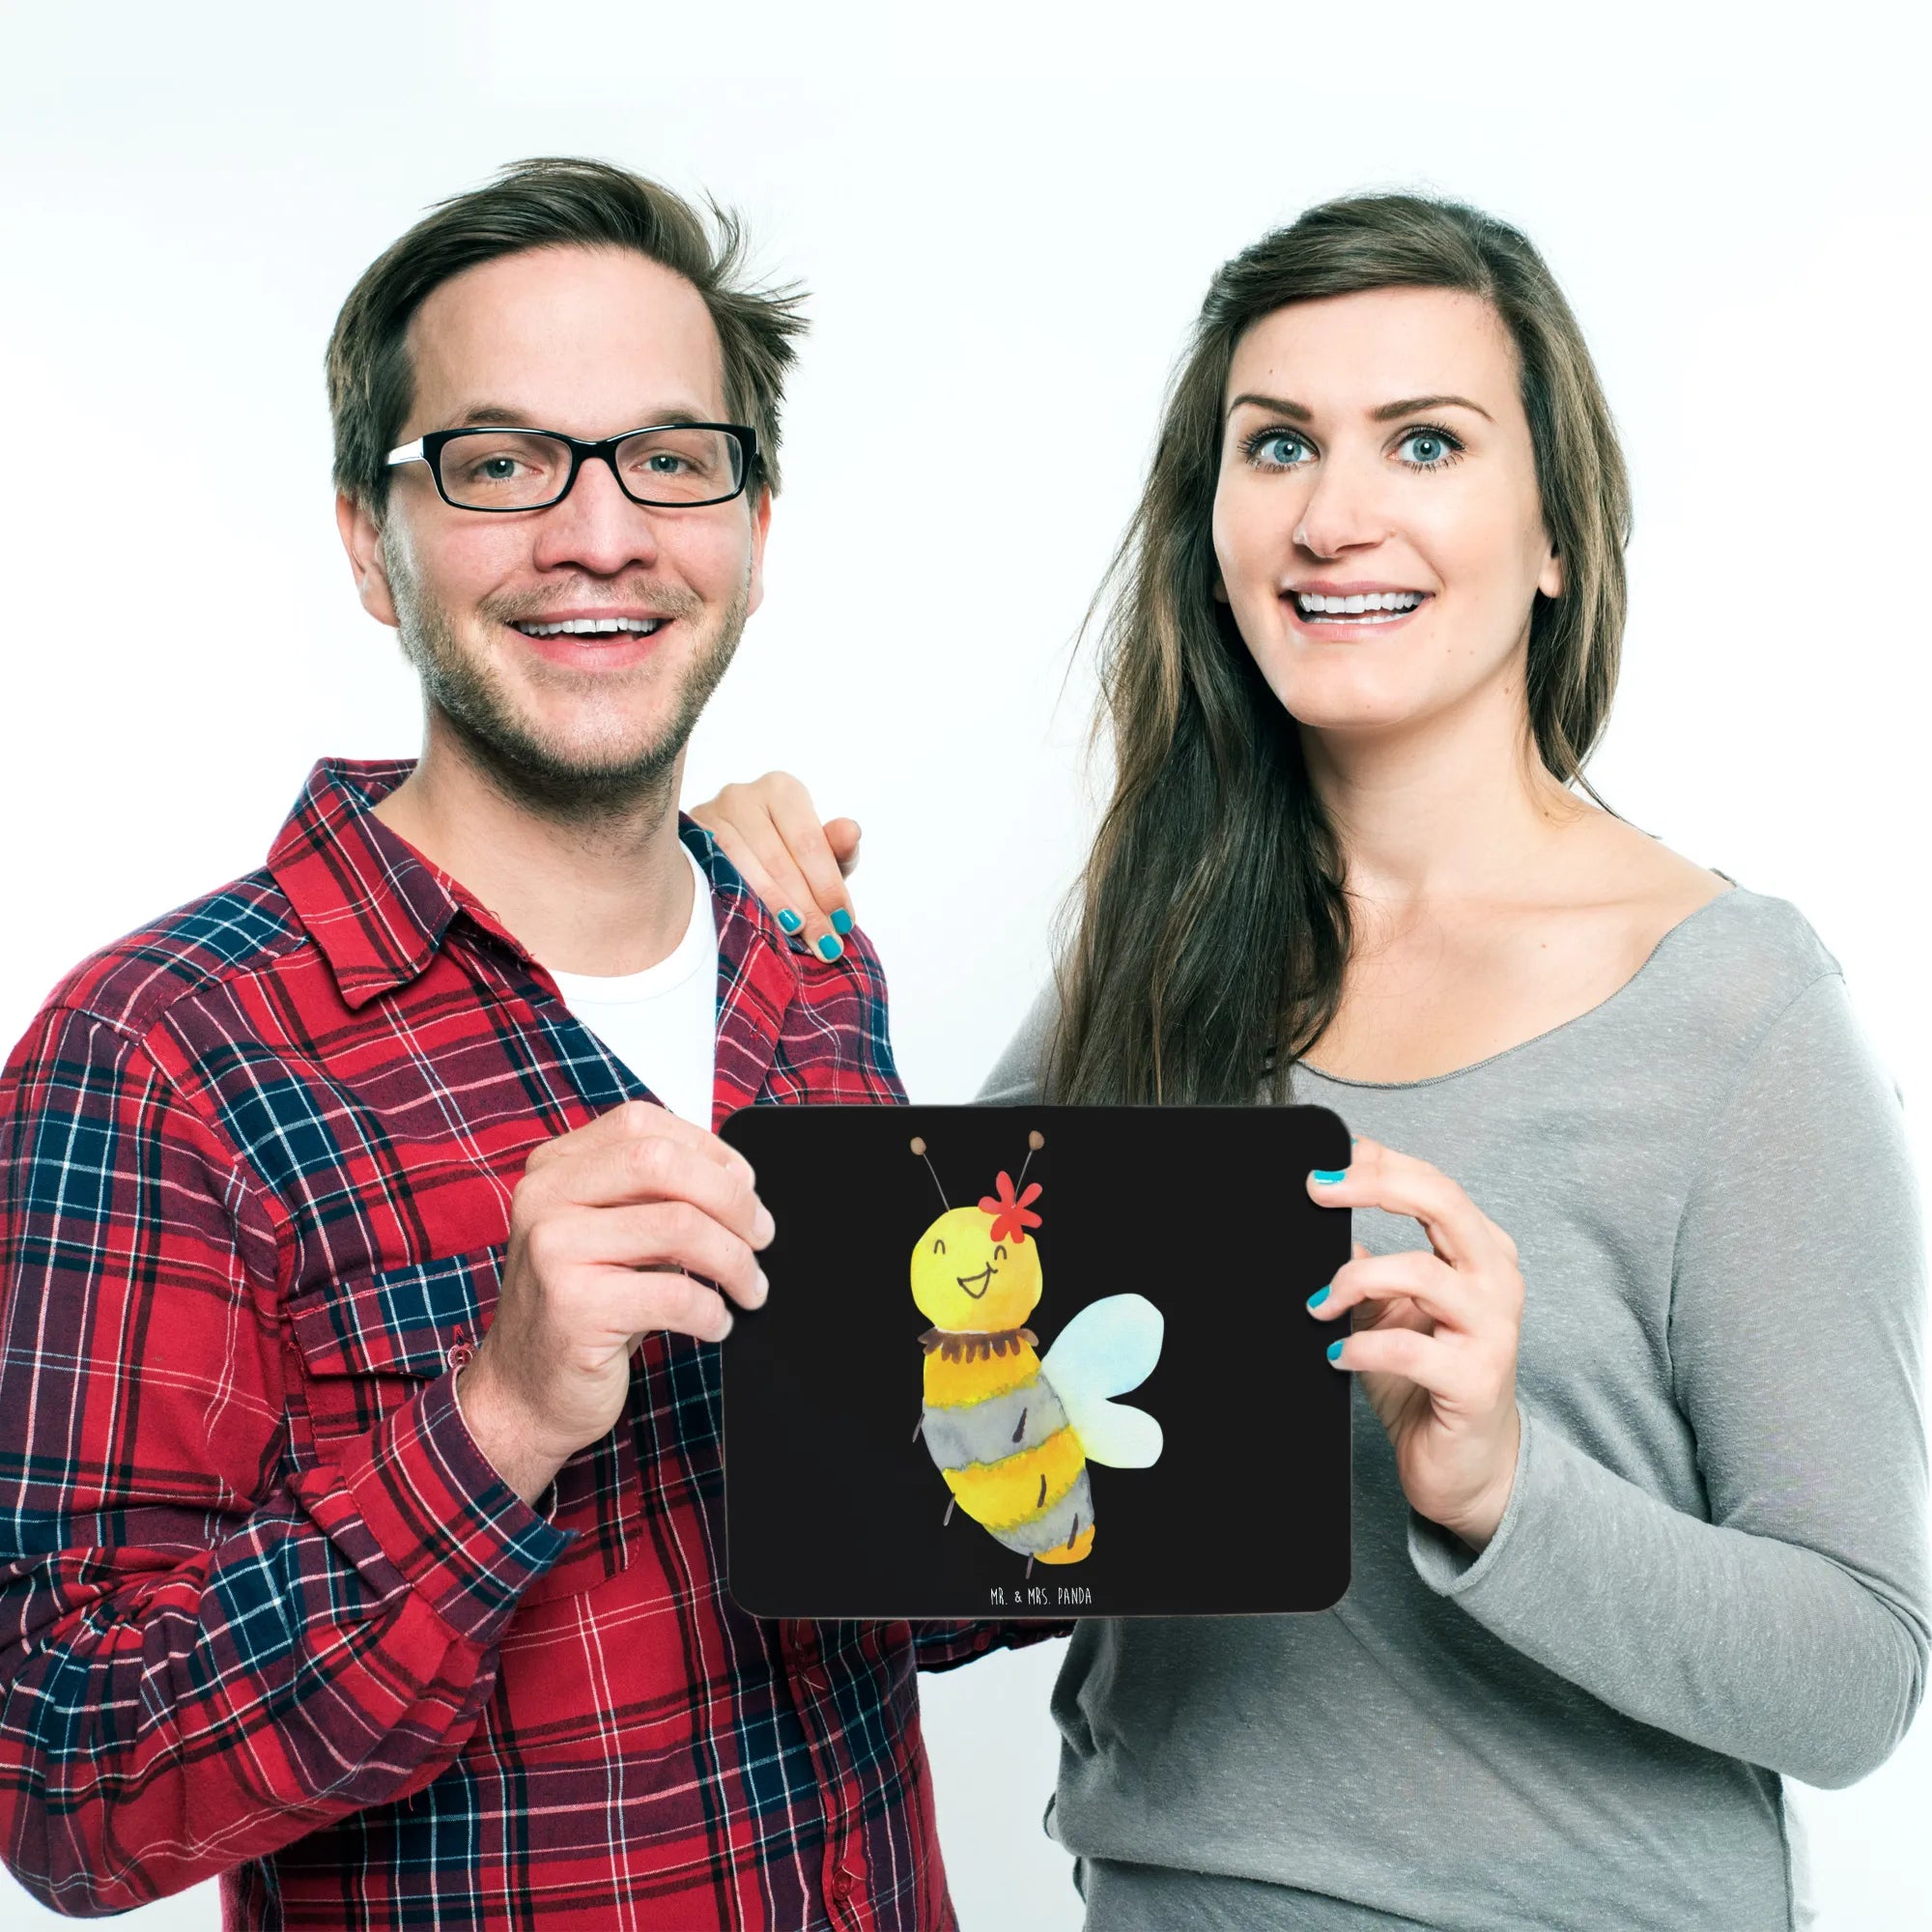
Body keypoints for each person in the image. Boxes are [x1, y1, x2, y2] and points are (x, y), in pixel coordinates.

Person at [692, 192, 1929, 1929]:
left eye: (1425, 442)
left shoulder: (1736, 1012)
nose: (1334, 517)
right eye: (1277, 444)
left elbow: (1857, 1675)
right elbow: (869, 1405)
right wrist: (728, 931)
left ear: (1557, 533)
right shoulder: (1154, 948)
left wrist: (1504, 1489)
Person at [0, 157, 1048, 1929]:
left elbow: (895, 1592)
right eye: (500, 466)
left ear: (754, 528)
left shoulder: (809, 962)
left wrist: (1198, 1389)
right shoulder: (161, 1056)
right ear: (371, 542)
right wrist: (495, 1422)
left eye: (671, 459)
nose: (602, 535)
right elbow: (66, 1789)